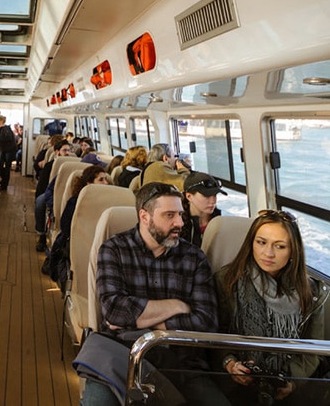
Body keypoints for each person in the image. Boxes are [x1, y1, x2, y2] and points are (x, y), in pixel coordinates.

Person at [83, 182, 228, 406]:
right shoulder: (114, 250)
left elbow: (207, 323)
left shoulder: (194, 258)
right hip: (122, 355)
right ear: (145, 216)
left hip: (182, 362)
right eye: (169, 215)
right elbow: (115, 311)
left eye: (180, 214)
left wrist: (144, 325)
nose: (179, 223)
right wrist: (179, 306)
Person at [215, 210, 329, 405]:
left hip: (288, 382)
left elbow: (313, 347)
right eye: (261, 242)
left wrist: (292, 381)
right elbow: (215, 332)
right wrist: (230, 363)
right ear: (251, 243)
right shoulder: (227, 280)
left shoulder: (311, 292)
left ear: (293, 251)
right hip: (234, 383)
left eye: (280, 246)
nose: (268, 253)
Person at [48, 164, 109, 289]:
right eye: (101, 180)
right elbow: (66, 228)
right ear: (88, 184)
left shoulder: (110, 205)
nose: (106, 183)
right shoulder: (75, 202)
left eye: (106, 179)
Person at [33, 140, 72, 252]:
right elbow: (42, 186)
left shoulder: (74, 166)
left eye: (69, 150)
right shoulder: (50, 166)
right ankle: (41, 235)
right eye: (64, 150)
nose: (67, 153)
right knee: (40, 201)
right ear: (57, 152)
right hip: (52, 193)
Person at [181, 172, 225, 246]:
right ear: (189, 196)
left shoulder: (220, 223)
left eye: (215, 195)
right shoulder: (178, 224)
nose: (213, 201)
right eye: (206, 196)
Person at [0, 115, 17, 191]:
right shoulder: (2, 129)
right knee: (0, 166)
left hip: (7, 152)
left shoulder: (6, 129)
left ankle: (4, 185)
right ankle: (3, 182)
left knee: (4, 167)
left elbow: (6, 140)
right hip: (3, 151)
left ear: (0, 121)